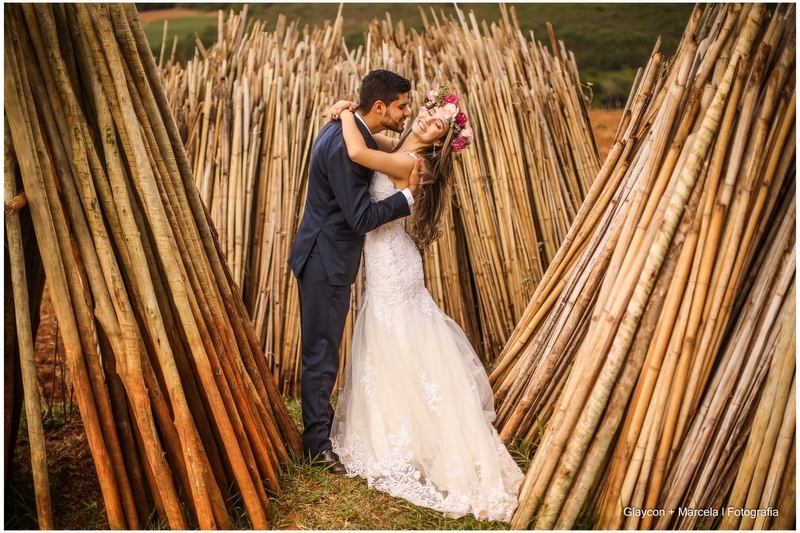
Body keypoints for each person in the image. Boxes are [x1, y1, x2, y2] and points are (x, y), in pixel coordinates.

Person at [327, 87, 524, 522]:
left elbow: (357, 151)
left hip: (394, 265)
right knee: (393, 344)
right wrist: (352, 113)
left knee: (401, 342)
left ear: (440, 141)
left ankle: (417, 436)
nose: (425, 120)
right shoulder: (398, 147)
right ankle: (399, 426)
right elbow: (372, 139)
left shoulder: (408, 162)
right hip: (388, 261)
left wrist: (344, 112)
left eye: (437, 124)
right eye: (427, 112)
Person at [288, 70, 422, 474]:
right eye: (401, 105)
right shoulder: (346, 147)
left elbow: (395, 149)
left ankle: (320, 432)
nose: (407, 112)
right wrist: (407, 198)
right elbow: (361, 217)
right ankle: (317, 445)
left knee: (322, 350)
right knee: (321, 353)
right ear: (379, 106)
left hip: (323, 254)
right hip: (325, 260)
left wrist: (346, 110)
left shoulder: (349, 131)